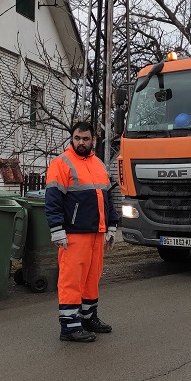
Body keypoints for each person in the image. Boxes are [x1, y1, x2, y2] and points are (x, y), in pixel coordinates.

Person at [45, 121, 119, 343]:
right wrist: (57, 230)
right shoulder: (61, 163)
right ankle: (69, 326)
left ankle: (88, 317)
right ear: (72, 138)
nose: (81, 142)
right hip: (74, 234)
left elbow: (107, 198)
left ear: (92, 140)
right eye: (77, 138)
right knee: (72, 280)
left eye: (85, 139)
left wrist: (112, 225)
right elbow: (53, 200)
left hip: (96, 233)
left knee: (91, 279)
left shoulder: (98, 164)